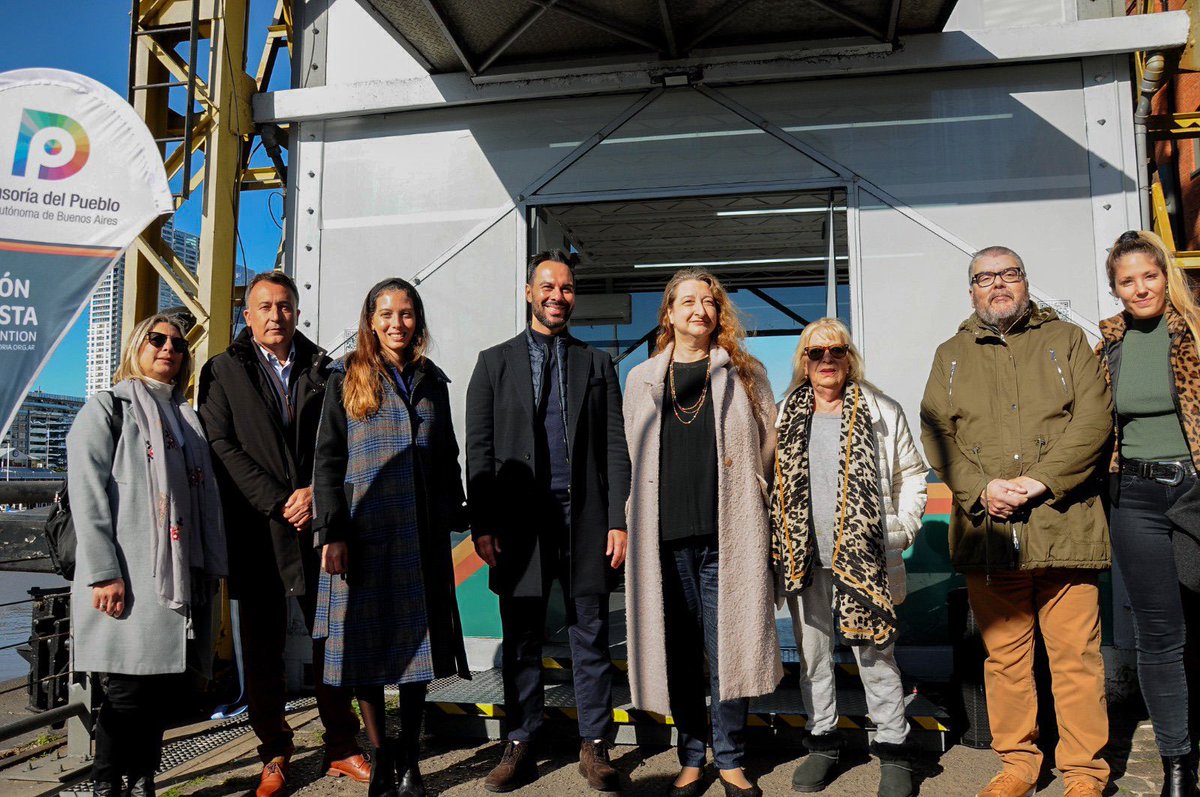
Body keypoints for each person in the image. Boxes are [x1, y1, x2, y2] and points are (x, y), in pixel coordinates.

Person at [920, 247, 1112, 797]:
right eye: (986, 278)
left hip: (1064, 524)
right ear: (972, 290)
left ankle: (1083, 772)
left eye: (1009, 274)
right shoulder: (950, 354)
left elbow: (1094, 421)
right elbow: (938, 432)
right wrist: (983, 489)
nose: (998, 285)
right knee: (1005, 659)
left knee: (1075, 657)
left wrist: (1041, 482)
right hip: (989, 534)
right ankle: (1019, 765)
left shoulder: (1067, 342)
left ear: (1025, 282)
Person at [465, 250, 631, 793]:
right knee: (521, 637)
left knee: (591, 633)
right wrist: (482, 523)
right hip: (519, 524)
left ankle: (595, 744)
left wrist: (616, 519)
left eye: (566, 288)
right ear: (529, 292)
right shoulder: (493, 363)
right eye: (548, 286)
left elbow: (613, 447)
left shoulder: (597, 363)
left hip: (582, 520)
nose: (558, 296)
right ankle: (520, 740)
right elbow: (480, 452)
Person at [198, 271, 367, 797]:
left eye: (285, 306)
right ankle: (274, 751)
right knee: (264, 650)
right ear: (247, 316)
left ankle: (342, 745)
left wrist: (315, 491)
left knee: (330, 642)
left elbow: (346, 441)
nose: (276, 315)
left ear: (297, 312)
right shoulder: (223, 371)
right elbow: (221, 445)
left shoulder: (325, 368)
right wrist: (278, 499)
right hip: (258, 531)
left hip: (319, 528)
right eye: (265, 306)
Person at [623, 269, 780, 797]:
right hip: (663, 541)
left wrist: (754, 499)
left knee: (731, 648)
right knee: (682, 653)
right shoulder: (641, 378)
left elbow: (768, 447)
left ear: (719, 313)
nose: (699, 310)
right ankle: (691, 758)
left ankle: (731, 758)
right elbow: (630, 455)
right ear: (668, 313)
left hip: (729, 537)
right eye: (687, 301)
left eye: (709, 302)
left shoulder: (745, 372)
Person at [312, 277, 470, 797]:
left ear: (417, 321)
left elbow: (446, 454)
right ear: (370, 320)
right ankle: (381, 758)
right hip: (362, 535)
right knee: (367, 650)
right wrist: (332, 532)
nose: (396, 324)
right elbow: (328, 461)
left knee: (417, 653)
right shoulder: (344, 378)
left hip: (420, 536)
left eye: (405, 314)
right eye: (386, 314)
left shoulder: (432, 380)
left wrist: (455, 510)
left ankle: (409, 760)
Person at [68, 314, 228, 797]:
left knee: (159, 686)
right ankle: (105, 782)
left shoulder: (187, 417)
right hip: (128, 577)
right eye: (156, 340)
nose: (168, 349)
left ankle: (143, 780)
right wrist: (102, 574)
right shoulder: (107, 408)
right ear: (136, 347)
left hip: (178, 577)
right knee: (124, 689)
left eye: (177, 344)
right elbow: (87, 493)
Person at [771, 318, 927, 797]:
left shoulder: (881, 410)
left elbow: (912, 476)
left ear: (849, 357)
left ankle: (895, 750)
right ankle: (822, 742)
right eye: (815, 354)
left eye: (836, 351)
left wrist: (896, 530)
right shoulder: (783, 414)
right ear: (803, 361)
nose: (826, 361)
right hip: (804, 560)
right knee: (814, 658)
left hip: (865, 562)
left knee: (876, 656)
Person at [1097, 229, 1200, 796]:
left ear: (1166, 276)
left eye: (1149, 276)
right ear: (1115, 289)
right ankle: (1178, 765)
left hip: (1195, 491)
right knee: (1160, 635)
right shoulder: (1108, 347)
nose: (1140, 289)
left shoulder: (1197, 332)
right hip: (1134, 497)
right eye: (1126, 281)